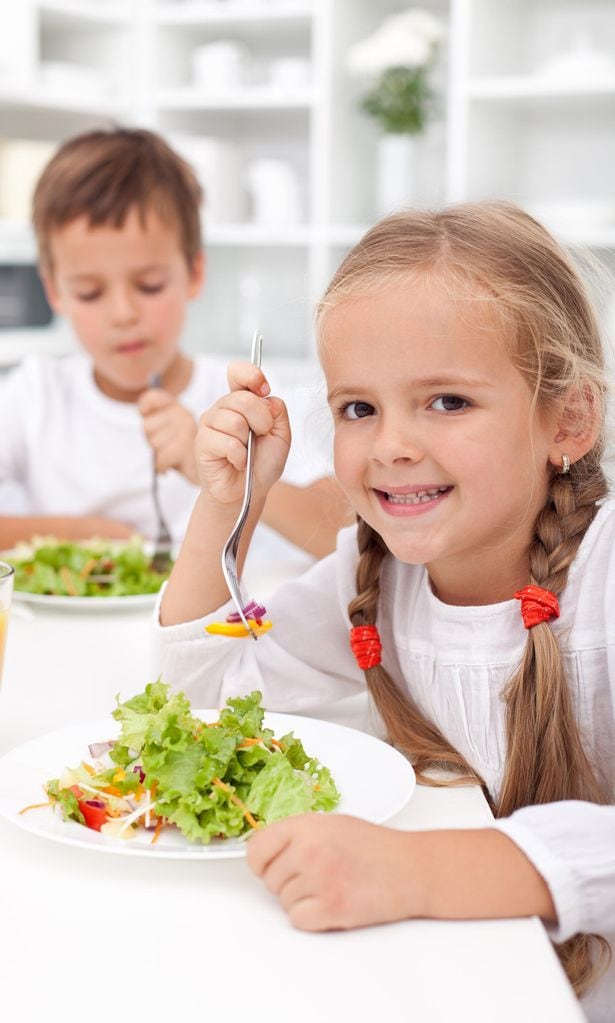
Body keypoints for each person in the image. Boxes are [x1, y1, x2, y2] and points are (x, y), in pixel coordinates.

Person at [154, 200, 615, 1019]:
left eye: (446, 401)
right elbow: (201, 709)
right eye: (358, 408)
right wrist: (228, 509)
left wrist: (412, 870)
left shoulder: (602, 576)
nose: (392, 444)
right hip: (471, 974)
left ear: (568, 419)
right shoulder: (370, 577)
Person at [0, 127, 351, 563]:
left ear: (194, 273)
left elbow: (346, 533)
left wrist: (238, 479)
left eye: (149, 286)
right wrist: (78, 532)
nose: (123, 314)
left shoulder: (245, 394)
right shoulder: (35, 394)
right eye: (90, 292)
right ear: (54, 292)